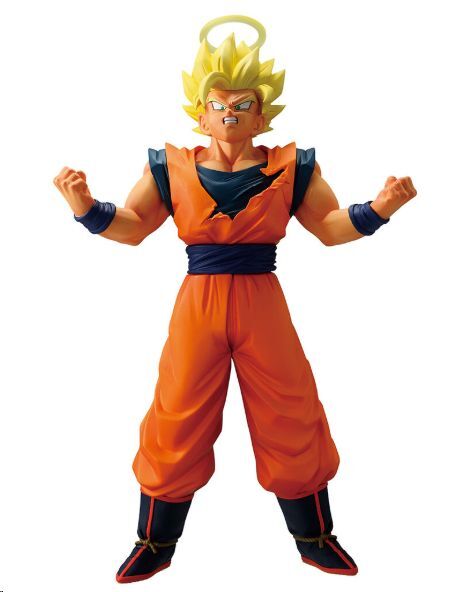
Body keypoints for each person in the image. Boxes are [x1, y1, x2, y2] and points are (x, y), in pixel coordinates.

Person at [53, 15, 417, 583]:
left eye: (243, 104)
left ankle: (314, 536)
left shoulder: (291, 167)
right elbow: (132, 226)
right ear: (200, 114)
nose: (229, 113)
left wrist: (379, 209)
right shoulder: (171, 168)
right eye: (218, 104)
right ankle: (155, 541)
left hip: (261, 300)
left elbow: (328, 226)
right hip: (197, 301)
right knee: (177, 412)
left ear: (262, 116)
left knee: (290, 409)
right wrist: (84, 206)